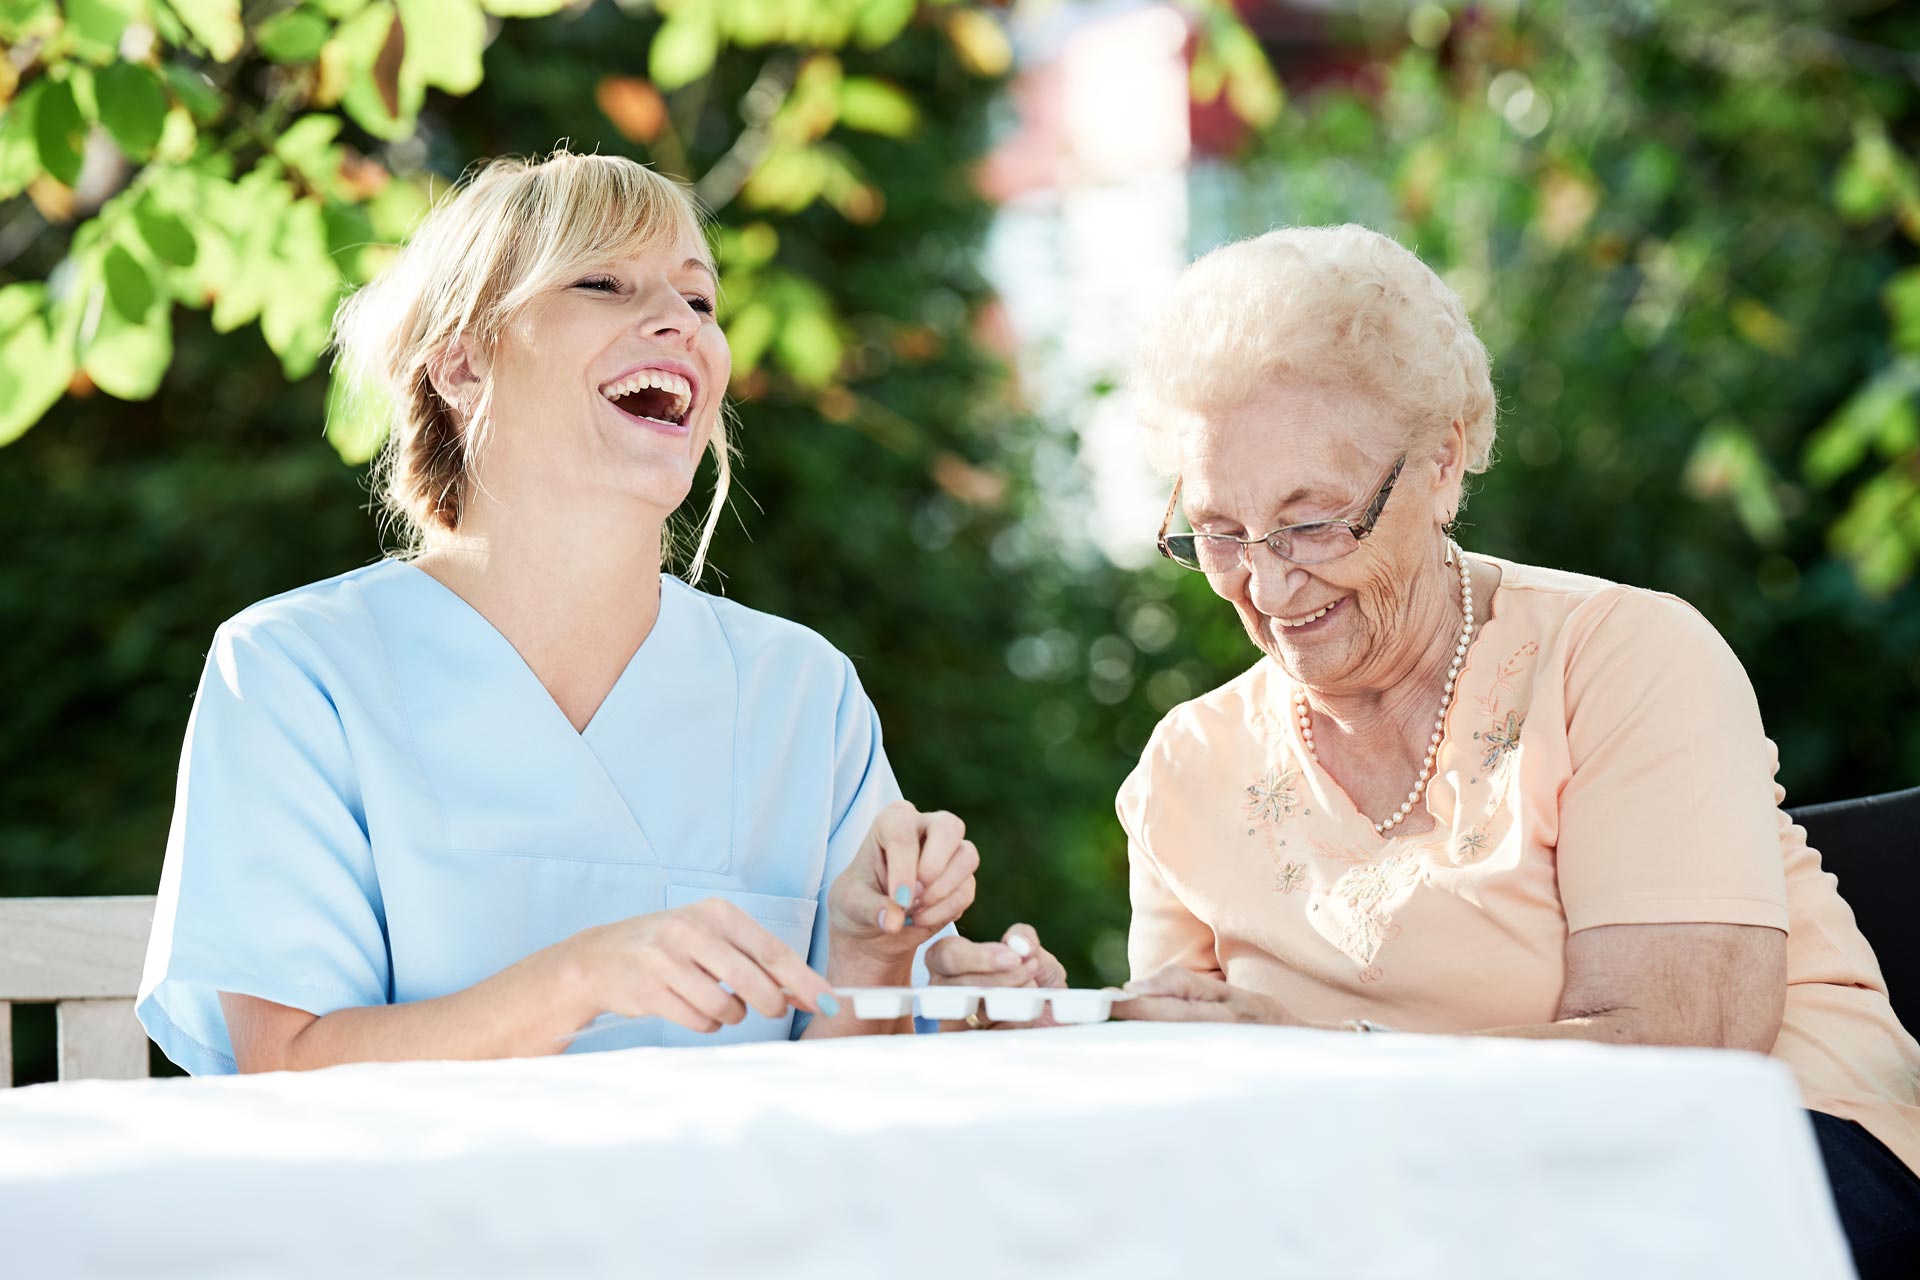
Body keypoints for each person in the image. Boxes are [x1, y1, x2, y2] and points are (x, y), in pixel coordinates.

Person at [137, 151, 1062, 1074]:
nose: (678, 324)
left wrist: (876, 959)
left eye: (700, 302)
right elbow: (283, 1070)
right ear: (461, 365)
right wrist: (583, 977)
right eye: (606, 283)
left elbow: (846, 1106)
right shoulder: (296, 670)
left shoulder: (803, 691)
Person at [1110, 224, 1920, 1273]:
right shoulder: (1188, 768)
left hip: (1771, 1162)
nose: (1266, 585)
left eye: (1315, 524)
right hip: (1407, 1209)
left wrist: (1327, 1069)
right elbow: (1190, 1106)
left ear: (1442, 464)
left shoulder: (1623, 656)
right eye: (1219, 533)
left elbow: (1681, 1060)